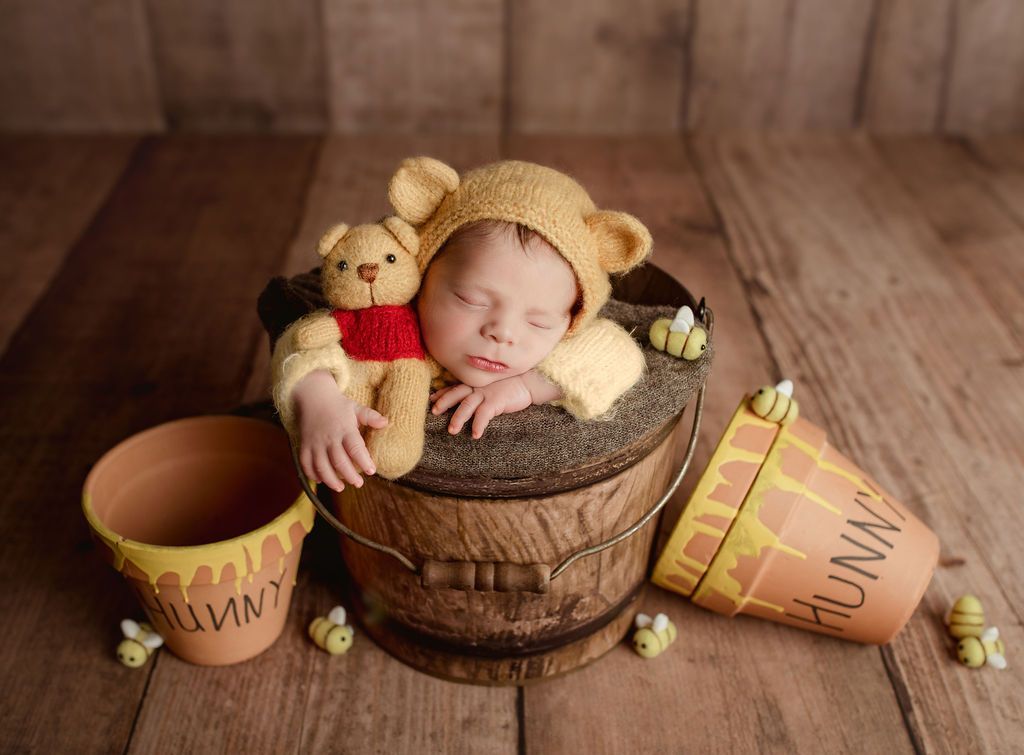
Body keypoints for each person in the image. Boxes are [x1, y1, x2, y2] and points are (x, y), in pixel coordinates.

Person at [271, 157, 652, 492]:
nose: (502, 333)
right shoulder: (391, 326)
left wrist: (527, 386)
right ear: (423, 277)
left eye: (538, 322)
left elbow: (617, 354)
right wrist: (317, 398)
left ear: (571, 321)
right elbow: (302, 342)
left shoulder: (563, 348)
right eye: (472, 300)